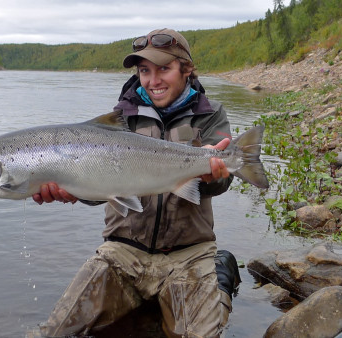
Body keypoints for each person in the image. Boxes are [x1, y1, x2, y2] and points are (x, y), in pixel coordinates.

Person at [32, 28, 241, 337]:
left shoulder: (209, 114)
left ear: (187, 69)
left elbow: (219, 186)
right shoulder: (119, 119)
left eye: (163, 69)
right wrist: (71, 190)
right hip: (122, 252)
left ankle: (220, 281)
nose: (152, 81)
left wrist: (213, 173)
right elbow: (98, 192)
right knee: (54, 333)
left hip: (189, 253)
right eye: (145, 71)